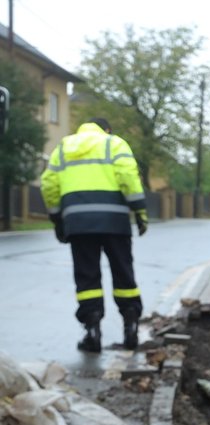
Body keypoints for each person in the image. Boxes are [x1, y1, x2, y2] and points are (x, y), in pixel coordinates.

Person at [41, 117, 148, 353]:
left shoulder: (64, 147)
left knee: (87, 277)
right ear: (106, 129)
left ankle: (92, 333)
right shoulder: (115, 144)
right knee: (123, 271)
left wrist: (57, 219)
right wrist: (140, 211)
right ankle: (130, 327)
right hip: (115, 221)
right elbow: (129, 178)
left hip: (79, 224)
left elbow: (49, 184)